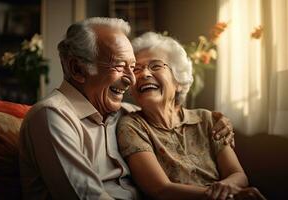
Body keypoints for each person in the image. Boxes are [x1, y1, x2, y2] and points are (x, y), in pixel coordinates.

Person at [19, 18, 234, 200]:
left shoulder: (126, 114)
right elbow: (86, 196)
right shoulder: (51, 117)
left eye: (132, 68)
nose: (131, 79)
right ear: (78, 69)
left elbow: (171, 116)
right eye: (120, 66)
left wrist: (219, 121)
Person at [117, 32, 267, 200]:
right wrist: (222, 195)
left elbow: (238, 174)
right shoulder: (132, 126)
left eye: (156, 66)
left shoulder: (207, 119)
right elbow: (160, 190)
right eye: (137, 69)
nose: (144, 74)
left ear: (179, 82)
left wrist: (227, 187)